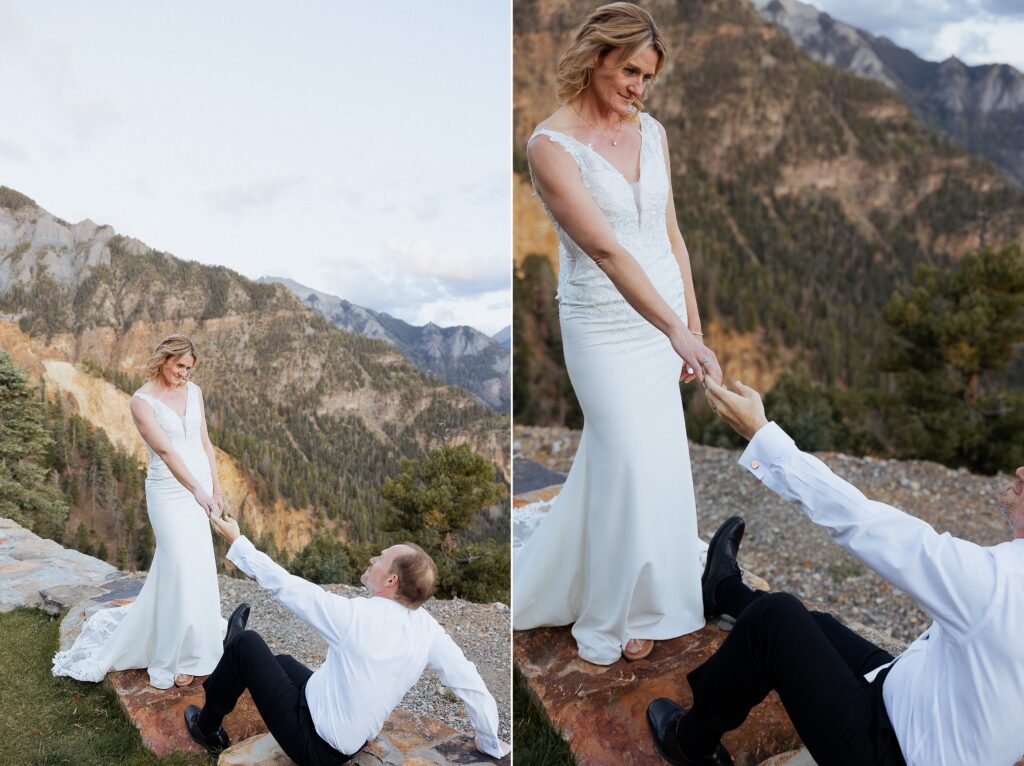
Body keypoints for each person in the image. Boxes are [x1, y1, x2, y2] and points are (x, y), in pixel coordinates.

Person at [646, 377, 1024, 766]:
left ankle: (690, 743)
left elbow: (864, 523)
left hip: (888, 752)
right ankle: (724, 589)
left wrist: (759, 433)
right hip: (911, 697)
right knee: (819, 625)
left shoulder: (999, 586)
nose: (1021, 471)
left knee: (776, 619)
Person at [512, 1, 723, 665]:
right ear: (597, 56)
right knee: (627, 451)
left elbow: (670, 233)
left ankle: (654, 578)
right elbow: (605, 251)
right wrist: (674, 329)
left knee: (650, 454)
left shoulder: (651, 132)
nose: (639, 88)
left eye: (648, 77)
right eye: (630, 71)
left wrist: (691, 324)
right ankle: (619, 607)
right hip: (603, 325)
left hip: (666, 321)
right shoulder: (550, 148)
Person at [184, 512, 511, 765]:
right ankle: (231, 662)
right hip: (336, 724)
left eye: (380, 558)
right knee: (281, 661)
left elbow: (290, 588)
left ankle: (207, 729)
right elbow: (469, 682)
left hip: (314, 746)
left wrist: (238, 541)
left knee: (247, 645)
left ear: (391, 580)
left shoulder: (357, 618)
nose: (372, 559)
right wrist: (489, 742)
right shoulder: (429, 630)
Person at [52, 334, 226, 689]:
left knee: (196, 565)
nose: (184, 374)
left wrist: (216, 488)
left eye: (189, 368)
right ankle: (174, 655)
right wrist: (196, 489)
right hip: (169, 491)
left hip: (200, 487)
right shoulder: (141, 402)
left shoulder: (194, 392)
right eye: (179, 366)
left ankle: (197, 643)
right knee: (177, 564)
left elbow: (206, 443)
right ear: (164, 359)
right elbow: (166, 451)